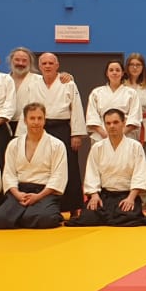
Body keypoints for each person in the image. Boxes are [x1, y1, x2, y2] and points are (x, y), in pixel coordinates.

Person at [21, 52, 87, 213]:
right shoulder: (33, 84)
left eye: (51, 63)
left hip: (63, 128)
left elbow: (76, 108)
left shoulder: (68, 83)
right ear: (39, 66)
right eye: (44, 63)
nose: (47, 66)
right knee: (44, 167)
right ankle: (47, 205)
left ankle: (73, 207)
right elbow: (28, 109)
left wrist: (76, 134)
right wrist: (23, 134)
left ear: (57, 65)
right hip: (39, 129)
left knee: (69, 167)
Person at [0, 103, 68, 230]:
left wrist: (39, 196)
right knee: (0, 220)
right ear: (25, 120)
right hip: (20, 192)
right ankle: (25, 214)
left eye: (39, 118)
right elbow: (9, 174)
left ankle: (28, 215)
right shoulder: (14, 144)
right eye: (32, 118)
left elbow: (58, 176)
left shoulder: (56, 145)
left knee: (44, 219)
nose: (36, 122)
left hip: (45, 192)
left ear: (44, 120)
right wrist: (17, 194)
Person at [70, 108, 146, 227]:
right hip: (104, 196)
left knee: (129, 217)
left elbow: (140, 174)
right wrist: (94, 195)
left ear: (123, 123)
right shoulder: (98, 147)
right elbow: (92, 173)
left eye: (115, 122)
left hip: (126, 195)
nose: (112, 126)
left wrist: (131, 198)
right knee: (88, 216)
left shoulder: (135, 147)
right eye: (108, 123)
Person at [86, 59, 143, 146]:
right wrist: (104, 134)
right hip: (101, 136)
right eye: (111, 70)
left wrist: (120, 135)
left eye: (117, 70)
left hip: (125, 136)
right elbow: (92, 116)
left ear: (122, 73)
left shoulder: (131, 93)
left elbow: (134, 118)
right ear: (107, 73)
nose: (114, 73)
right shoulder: (96, 93)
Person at [124, 53, 146, 141]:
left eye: (138, 65)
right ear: (127, 67)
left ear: (143, 67)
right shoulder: (121, 86)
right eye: (132, 65)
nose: (135, 67)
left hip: (143, 124)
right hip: (125, 126)